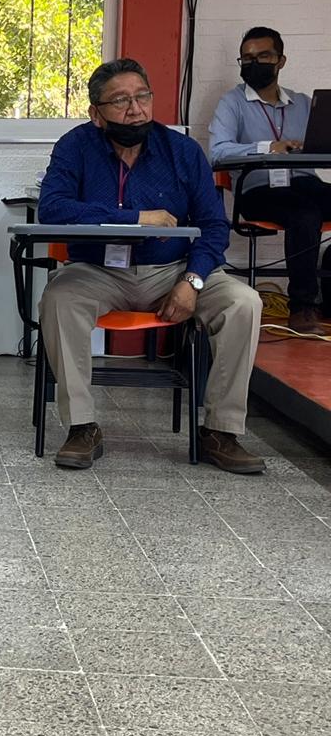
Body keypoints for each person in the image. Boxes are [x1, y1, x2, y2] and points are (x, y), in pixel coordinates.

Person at [38, 58, 264, 474]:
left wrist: (192, 282)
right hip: (99, 271)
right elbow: (52, 209)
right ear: (96, 113)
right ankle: (81, 426)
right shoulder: (76, 146)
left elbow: (214, 225)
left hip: (174, 269)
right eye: (120, 101)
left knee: (244, 302)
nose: (135, 109)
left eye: (142, 96)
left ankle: (221, 431)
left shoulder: (182, 151)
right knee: (59, 297)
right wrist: (136, 218)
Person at [208, 26, 331, 335]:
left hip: (305, 184)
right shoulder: (232, 103)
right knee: (305, 214)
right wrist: (268, 147)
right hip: (258, 190)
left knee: (309, 204)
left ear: (281, 61)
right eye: (247, 58)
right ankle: (301, 308)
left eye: (263, 56)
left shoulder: (303, 103)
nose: (254, 63)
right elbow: (217, 151)